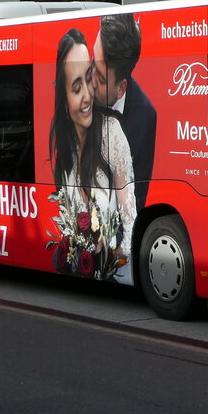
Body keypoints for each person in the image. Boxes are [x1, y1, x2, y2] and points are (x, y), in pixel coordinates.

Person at [49, 28, 135, 282]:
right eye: (77, 88)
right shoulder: (64, 156)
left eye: (89, 78)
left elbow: (129, 212)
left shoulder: (112, 133)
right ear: (64, 100)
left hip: (118, 271)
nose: (88, 95)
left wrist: (120, 254)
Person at [91, 12, 156, 214]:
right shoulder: (76, 90)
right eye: (93, 60)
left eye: (100, 79)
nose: (89, 79)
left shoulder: (145, 116)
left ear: (121, 88)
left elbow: (135, 200)